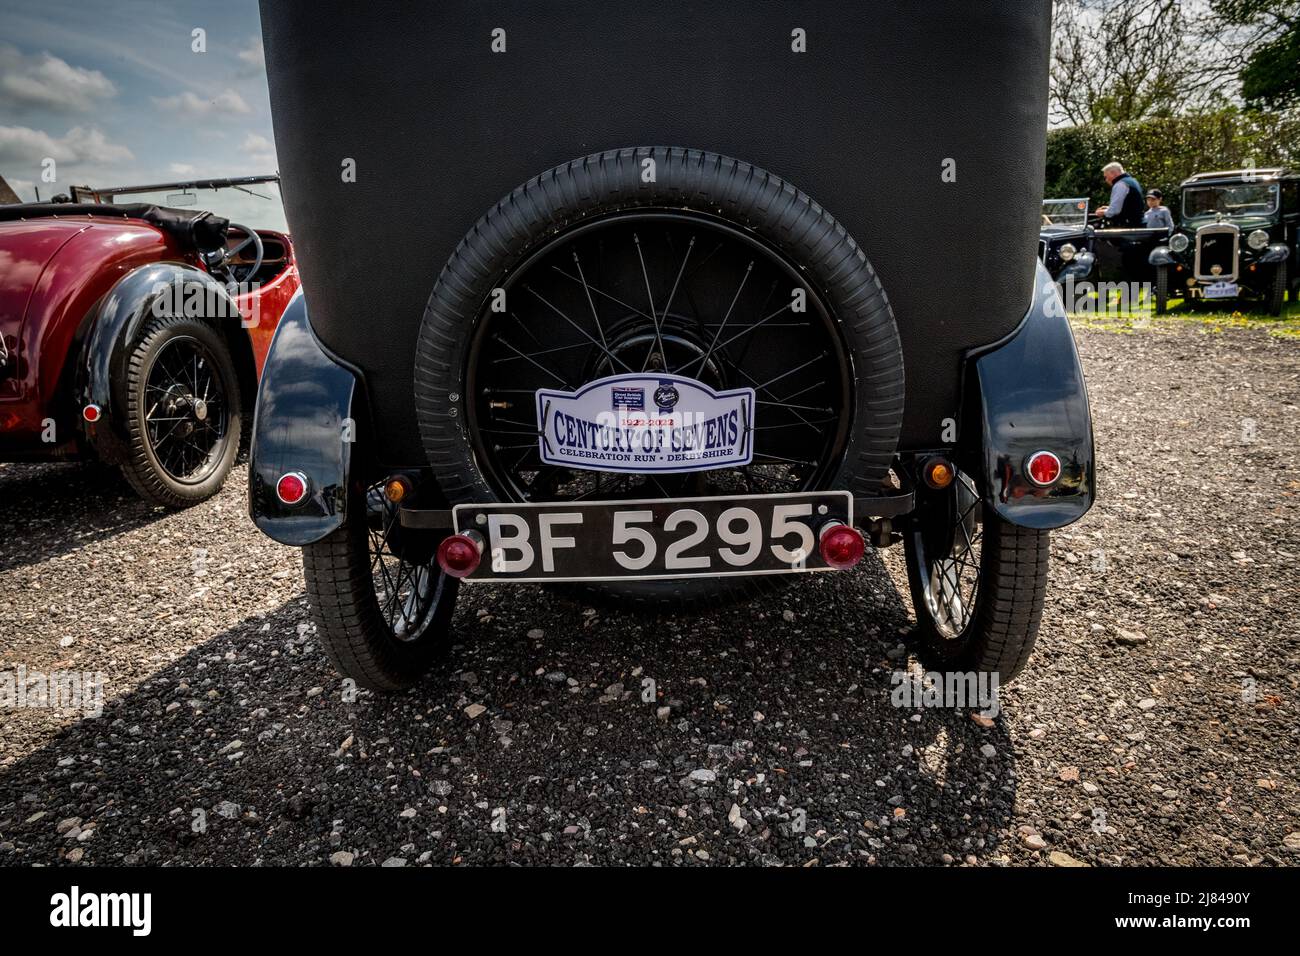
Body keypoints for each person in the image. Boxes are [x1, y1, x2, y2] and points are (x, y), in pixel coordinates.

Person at [1093, 161, 1146, 227]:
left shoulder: (1120, 184)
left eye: (1106, 177)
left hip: (1128, 228)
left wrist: (1102, 212)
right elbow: (1130, 206)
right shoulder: (1132, 181)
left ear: (1113, 173)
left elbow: (1114, 211)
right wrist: (1108, 208)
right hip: (1139, 224)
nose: (1106, 180)